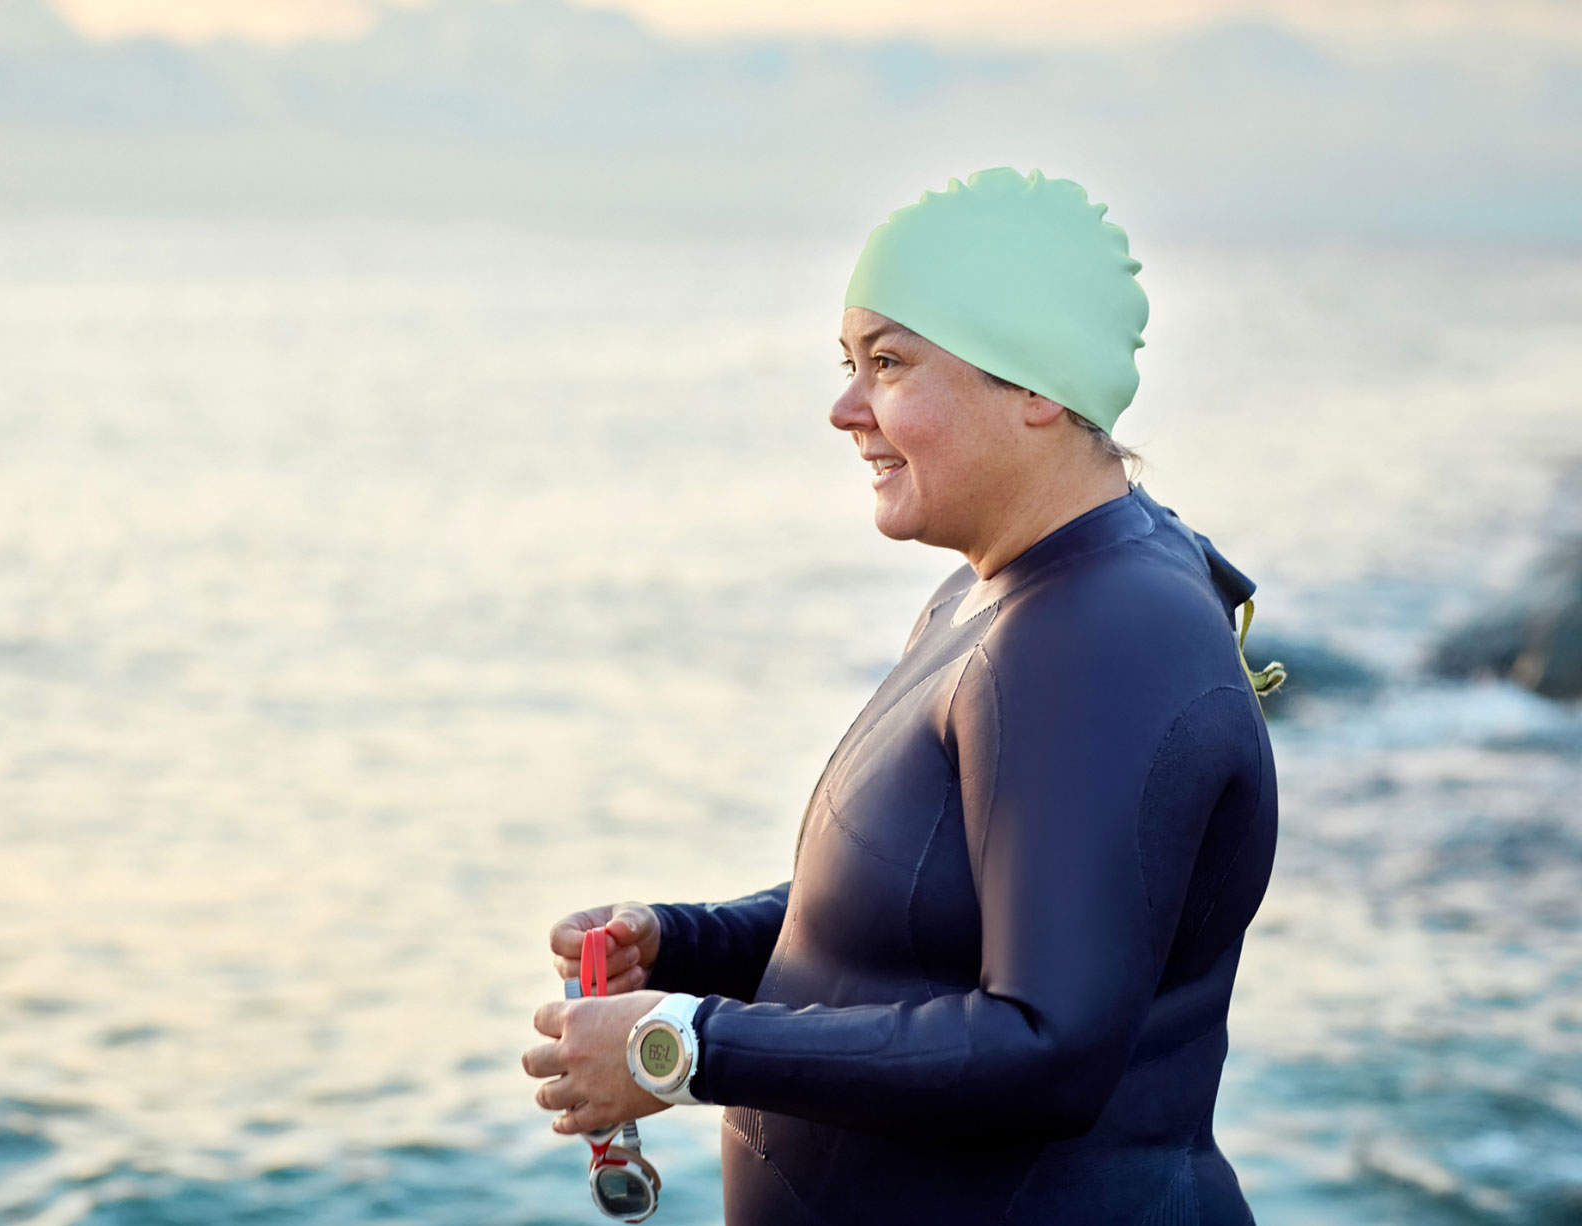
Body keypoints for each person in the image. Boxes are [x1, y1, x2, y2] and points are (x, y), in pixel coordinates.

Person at [519, 167, 1281, 1224]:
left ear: (1034, 381)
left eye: (886, 362)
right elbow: (928, 900)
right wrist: (688, 942)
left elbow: (1045, 1047)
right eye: (849, 364)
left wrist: (681, 1044)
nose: (842, 409)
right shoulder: (999, 593)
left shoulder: (1106, 630)